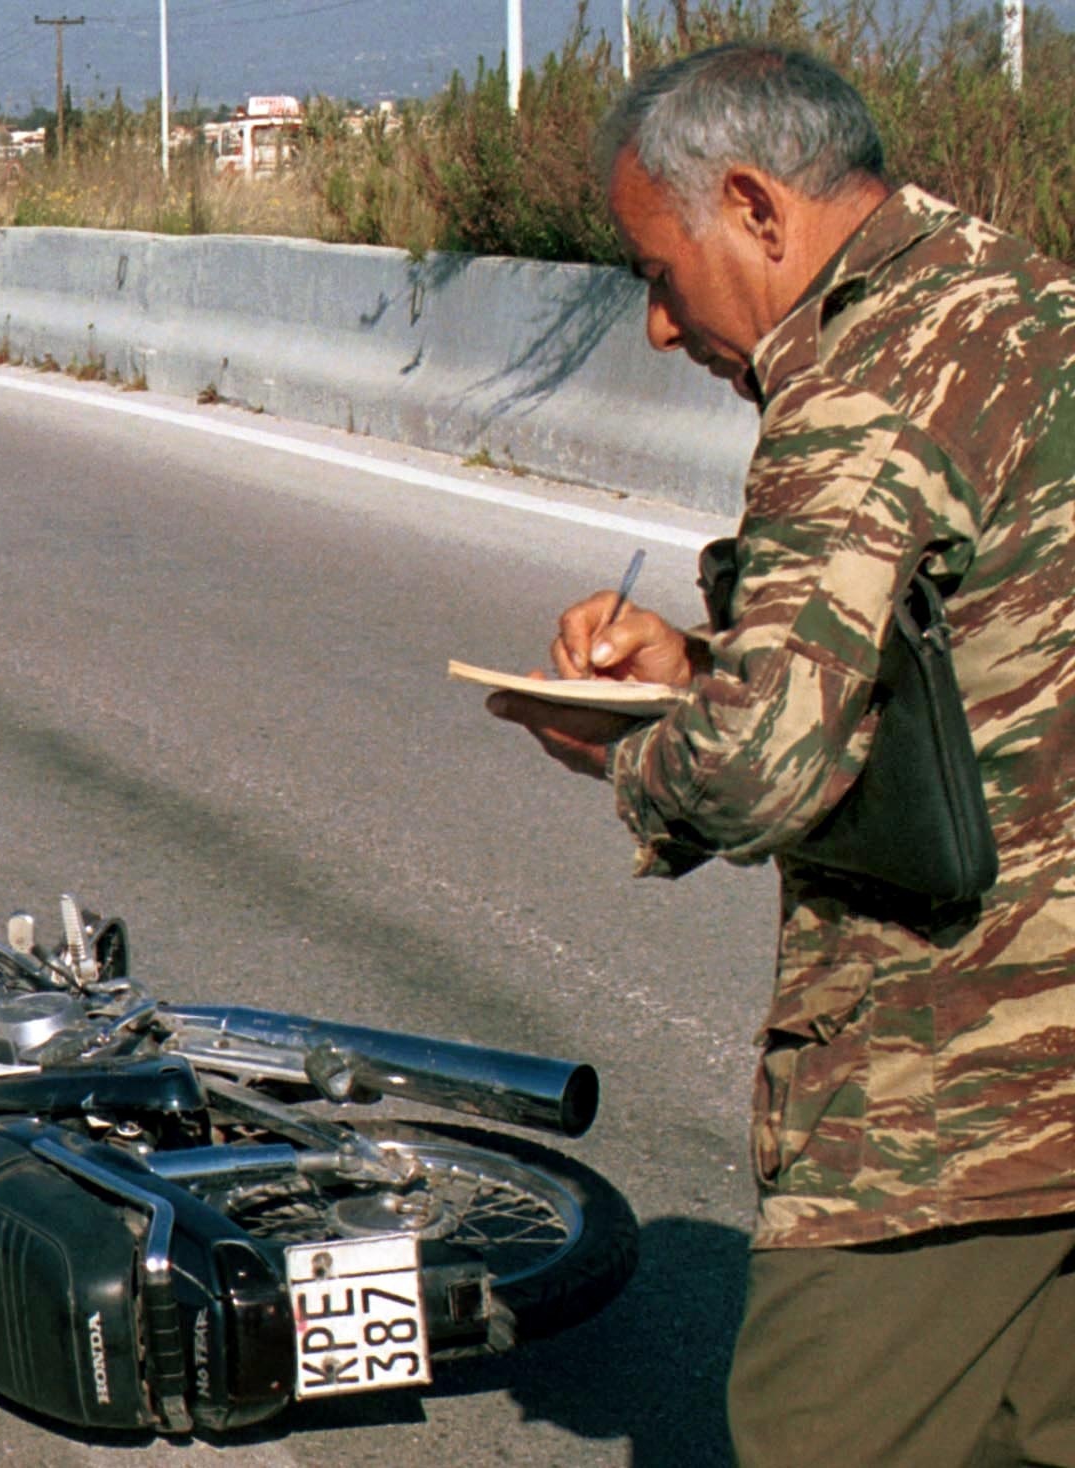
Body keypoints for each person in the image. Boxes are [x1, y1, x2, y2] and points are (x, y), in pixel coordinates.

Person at [486, 43, 1075, 1468]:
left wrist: (624, 756)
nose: (659, 327)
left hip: (961, 1086)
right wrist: (698, 667)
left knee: (822, 1434)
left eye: (659, 270)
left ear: (753, 207)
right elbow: (973, 652)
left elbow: (763, 767)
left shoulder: (862, 384)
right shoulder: (1022, 299)